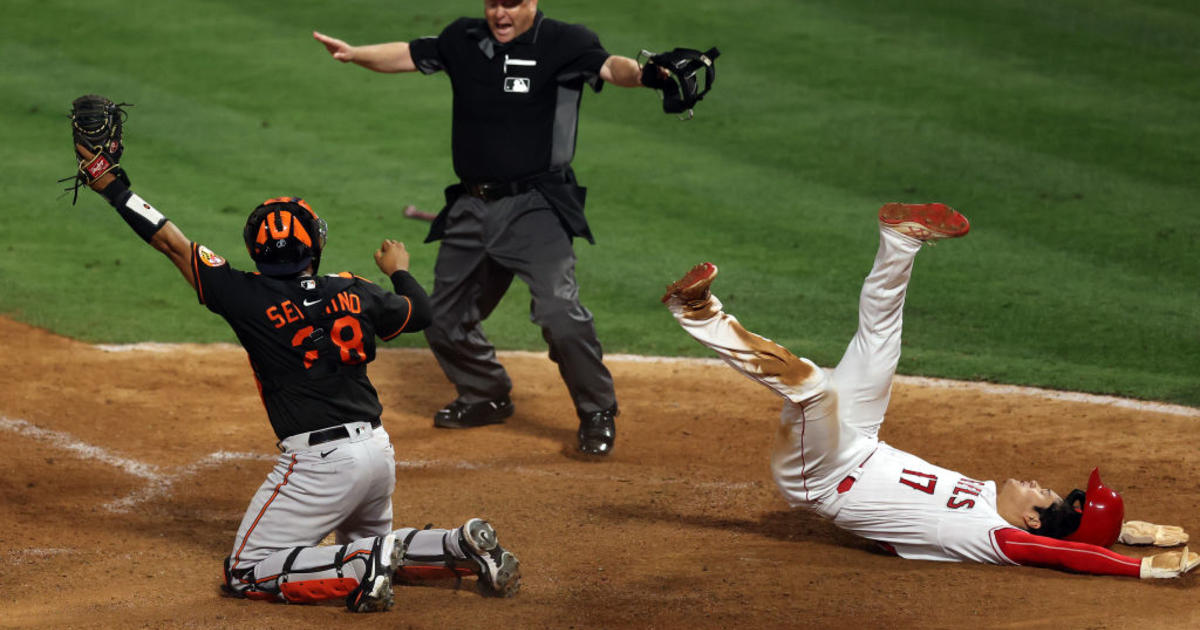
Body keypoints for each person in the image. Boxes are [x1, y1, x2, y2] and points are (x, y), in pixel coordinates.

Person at [74, 143, 521, 612]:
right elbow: (420, 312)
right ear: (315, 246)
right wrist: (400, 271)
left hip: (322, 465)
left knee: (246, 570)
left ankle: (360, 566)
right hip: (376, 452)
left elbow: (170, 241)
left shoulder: (243, 295)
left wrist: (115, 187)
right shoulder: (355, 289)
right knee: (378, 542)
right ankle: (460, 544)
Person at [660, 202, 1198, 578]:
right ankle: (899, 241)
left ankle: (697, 311)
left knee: (814, 390)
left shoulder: (988, 535)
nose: (1041, 484)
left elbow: (1063, 557)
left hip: (820, 476)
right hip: (861, 443)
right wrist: (1123, 532)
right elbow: (1073, 543)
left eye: (1046, 496)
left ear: (1032, 521)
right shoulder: (997, 504)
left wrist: (1139, 569)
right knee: (881, 342)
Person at [313, 0, 678, 456]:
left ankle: (597, 411)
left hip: (536, 206)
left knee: (559, 314)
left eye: (512, 3)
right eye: (493, 3)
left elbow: (612, 68)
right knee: (438, 316)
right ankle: (486, 392)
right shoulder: (463, 39)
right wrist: (354, 53)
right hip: (469, 206)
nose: (500, 14)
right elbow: (408, 53)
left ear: (532, 2)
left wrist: (647, 75)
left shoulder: (565, 42)